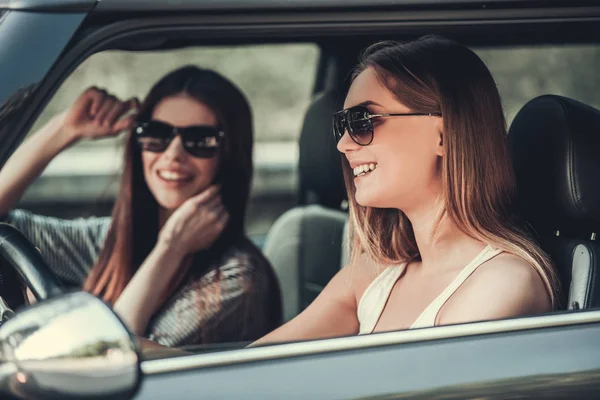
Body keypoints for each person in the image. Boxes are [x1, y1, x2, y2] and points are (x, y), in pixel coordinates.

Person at [252, 36, 560, 346]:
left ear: (443, 135)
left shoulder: (501, 283)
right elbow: (251, 367)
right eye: (342, 125)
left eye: (363, 121)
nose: (343, 144)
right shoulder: (375, 273)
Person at [0, 66, 282, 347]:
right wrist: (62, 131)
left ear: (229, 156)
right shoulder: (113, 239)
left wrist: (171, 249)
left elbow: (110, 357)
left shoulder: (237, 279)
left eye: (200, 140)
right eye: (157, 134)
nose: (173, 154)